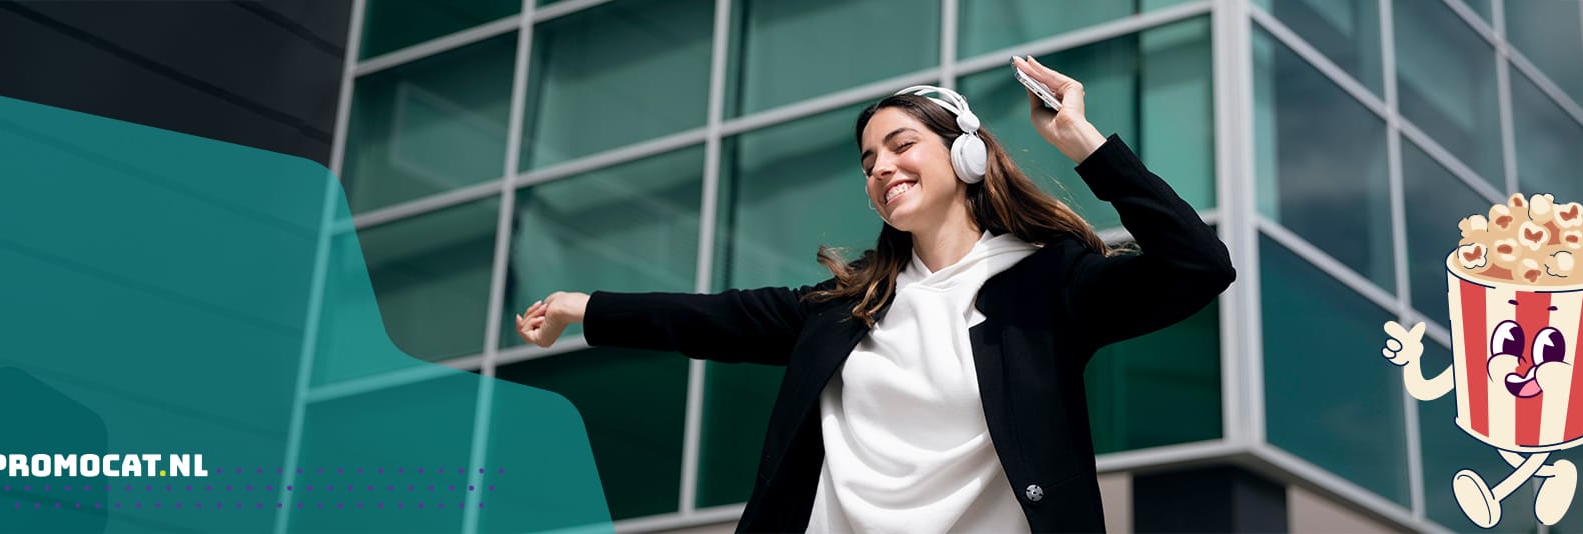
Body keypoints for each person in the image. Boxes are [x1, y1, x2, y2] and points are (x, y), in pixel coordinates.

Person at [514, 56, 1235, 533]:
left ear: (966, 153)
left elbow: (1197, 265)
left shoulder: (1050, 285)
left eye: (899, 145)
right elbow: (712, 319)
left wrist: (1080, 140)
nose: (880, 168)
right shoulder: (844, 307)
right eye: (867, 161)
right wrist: (581, 306)